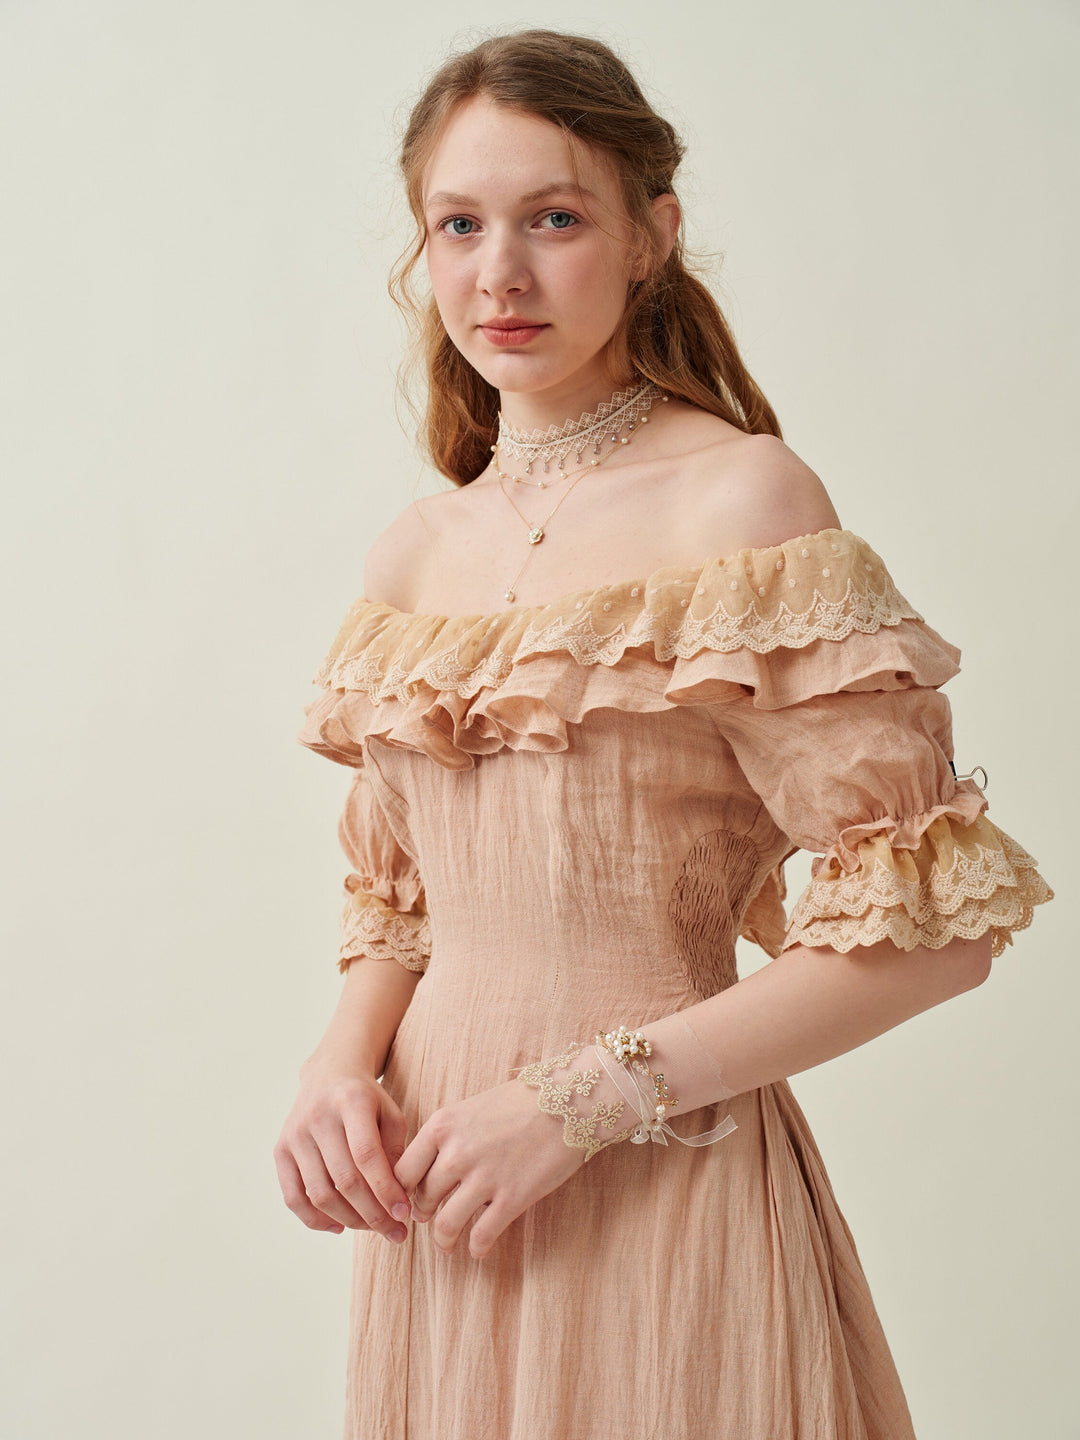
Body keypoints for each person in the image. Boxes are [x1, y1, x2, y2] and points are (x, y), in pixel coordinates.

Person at [275, 28, 1053, 1440]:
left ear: (652, 235)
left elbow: (939, 932)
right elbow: (402, 906)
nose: (499, 275)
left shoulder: (741, 504)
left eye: (554, 218)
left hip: (662, 1175)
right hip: (441, 1197)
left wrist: (583, 1101)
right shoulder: (412, 556)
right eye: (460, 225)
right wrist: (336, 1071)